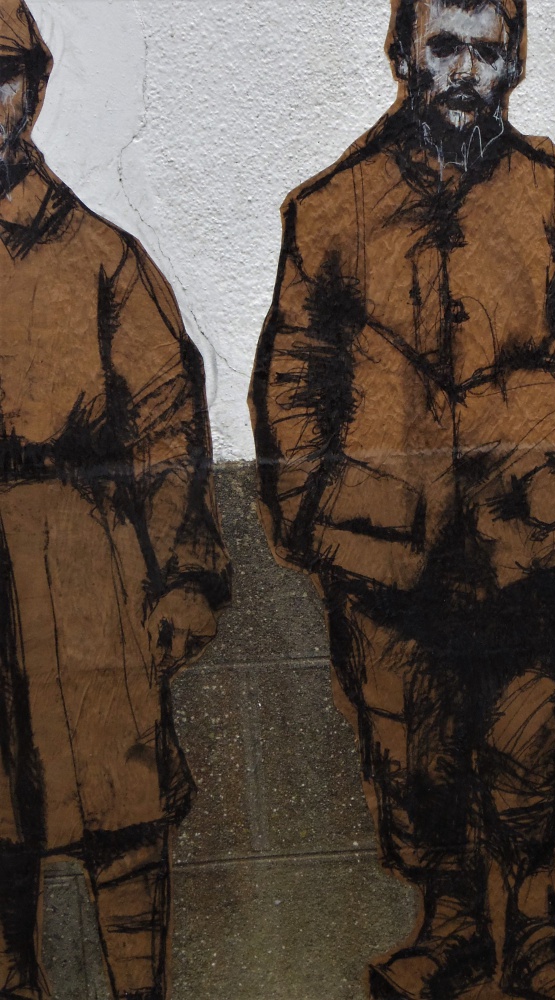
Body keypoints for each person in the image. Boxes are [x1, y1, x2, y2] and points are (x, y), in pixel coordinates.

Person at [250, 1, 555, 997]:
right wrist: (324, 510)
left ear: (514, 62)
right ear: (403, 52)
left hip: (538, 545)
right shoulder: (329, 209)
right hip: (385, 551)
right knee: (410, 749)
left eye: (487, 51)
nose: (466, 71)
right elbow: (293, 380)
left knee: (532, 741)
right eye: (444, 47)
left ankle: (536, 932)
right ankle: (447, 931)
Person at [0, 3, 231, 998]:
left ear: (34, 89)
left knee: (120, 801)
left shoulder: (100, 255)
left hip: (85, 559)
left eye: (1, 75)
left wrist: (182, 577)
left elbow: (169, 425)